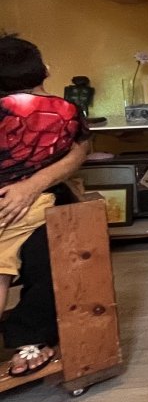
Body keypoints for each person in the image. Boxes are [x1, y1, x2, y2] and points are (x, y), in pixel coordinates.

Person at [0, 35, 91, 377]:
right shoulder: (65, 111)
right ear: (45, 71)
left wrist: (29, 184)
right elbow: (78, 142)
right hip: (36, 203)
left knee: (41, 254)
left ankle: (32, 337)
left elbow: (79, 153)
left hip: (36, 199)